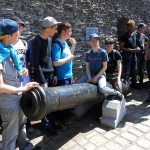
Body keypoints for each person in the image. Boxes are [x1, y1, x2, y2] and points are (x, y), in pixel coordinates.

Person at [0, 19, 38, 150]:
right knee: (10, 134)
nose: (19, 36)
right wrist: (23, 88)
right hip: (8, 102)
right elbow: (0, 87)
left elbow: (14, 72)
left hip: (19, 97)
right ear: (7, 36)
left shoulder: (9, 50)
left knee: (22, 125)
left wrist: (22, 71)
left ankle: (25, 146)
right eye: (17, 33)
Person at [31, 16, 59, 134]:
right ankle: (46, 126)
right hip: (42, 77)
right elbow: (36, 64)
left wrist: (54, 74)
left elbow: (49, 59)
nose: (56, 31)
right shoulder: (35, 41)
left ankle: (51, 123)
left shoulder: (49, 40)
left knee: (51, 102)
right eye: (55, 28)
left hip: (50, 75)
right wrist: (43, 81)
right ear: (49, 28)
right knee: (45, 103)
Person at [85, 33, 123, 98]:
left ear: (113, 45)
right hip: (102, 74)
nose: (108, 45)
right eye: (107, 43)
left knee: (117, 87)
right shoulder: (100, 52)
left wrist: (119, 79)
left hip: (113, 75)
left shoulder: (115, 53)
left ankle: (118, 94)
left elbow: (119, 67)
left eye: (110, 43)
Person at [51, 22, 76, 121]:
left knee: (68, 98)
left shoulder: (65, 42)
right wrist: (69, 58)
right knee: (63, 100)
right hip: (62, 77)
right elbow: (55, 62)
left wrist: (73, 45)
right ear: (63, 32)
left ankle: (66, 116)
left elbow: (69, 56)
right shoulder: (56, 45)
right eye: (69, 31)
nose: (71, 33)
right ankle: (62, 119)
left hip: (68, 75)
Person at [120, 20, 140, 88]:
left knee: (134, 70)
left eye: (133, 27)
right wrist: (133, 50)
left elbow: (135, 44)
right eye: (130, 27)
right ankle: (125, 86)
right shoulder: (124, 36)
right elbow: (122, 48)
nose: (132, 28)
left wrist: (137, 48)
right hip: (126, 56)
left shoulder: (134, 35)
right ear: (127, 27)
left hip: (134, 56)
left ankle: (134, 84)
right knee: (126, 71)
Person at [135, 23, 148, 88]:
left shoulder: (143, 35)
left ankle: (141, 83)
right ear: (140, 28)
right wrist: (136, 47)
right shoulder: (134, 35)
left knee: (142, 70)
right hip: (136, 55)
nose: (145, 29)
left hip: (142, 55)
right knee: (136, 69)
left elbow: (147, 42)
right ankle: (135, 84)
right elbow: (131, 43)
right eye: (144, 28)